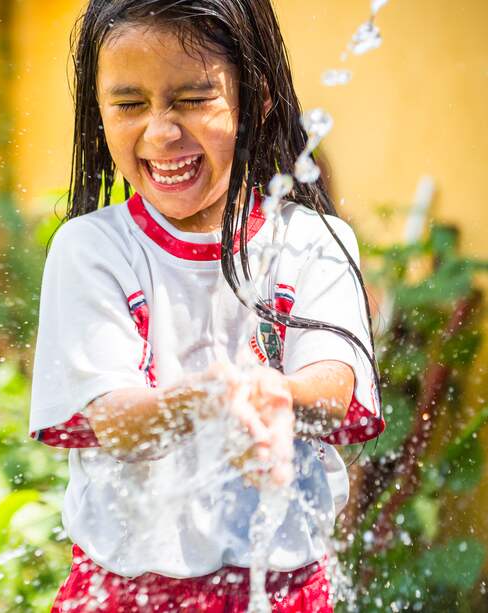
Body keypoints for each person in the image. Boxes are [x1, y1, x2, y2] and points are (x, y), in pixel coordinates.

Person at [27, 1, 385, 611]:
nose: (161, 132)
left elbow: (332, 390)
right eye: (129, 104)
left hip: (286, 589)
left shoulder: (314, 241)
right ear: (98, 112)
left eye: (193, 99)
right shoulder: (91, 249)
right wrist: (213, 398)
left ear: (258, 100)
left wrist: (278, 396)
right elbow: (115, 422)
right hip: (127, 593)